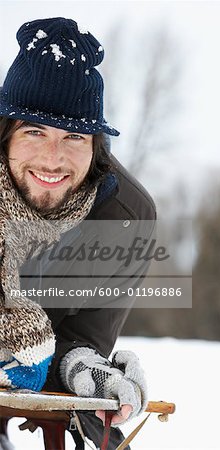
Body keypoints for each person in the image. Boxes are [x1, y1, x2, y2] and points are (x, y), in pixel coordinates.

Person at [0, 17, 156, 449]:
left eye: (74, 136)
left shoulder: (123, 218)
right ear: (5, 135)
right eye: (35, 131)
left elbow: (84, 338)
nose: (53, 159)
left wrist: (83, 367)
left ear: (96, 145)